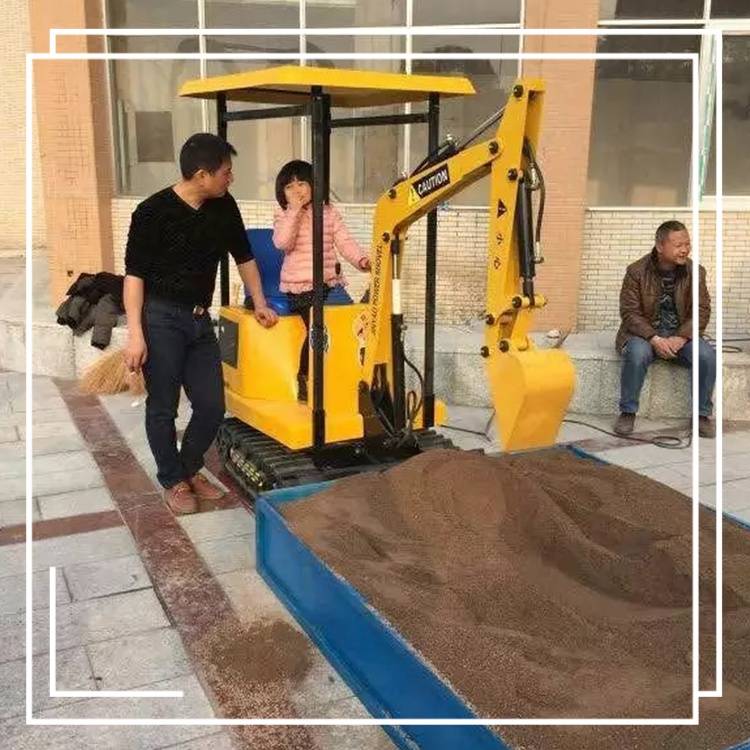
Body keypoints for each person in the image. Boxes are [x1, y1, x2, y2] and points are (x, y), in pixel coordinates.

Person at [123, 133, 278, 515]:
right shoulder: (151, 212)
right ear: (201, 175)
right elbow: (134, 277)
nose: (231, 178)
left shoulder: (224, 206)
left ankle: (189, 468)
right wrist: (135, 335)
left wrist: (260, 303)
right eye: (226, 171)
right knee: (163, 407)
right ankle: (173, 480)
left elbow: (244, 257)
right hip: (160, 319)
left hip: (198, 319)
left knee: (212, 405)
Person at [272, 159, 370, 401]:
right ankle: (304, 377)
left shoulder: (329, 212)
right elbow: (283, 243)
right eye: (289, 187)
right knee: (319, 329)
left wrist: (362, 260)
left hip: (329, 283)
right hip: (300, 287)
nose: (296, 190)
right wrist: (295, 211)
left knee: (352, 323)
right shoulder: (284, 215)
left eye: (302, 184)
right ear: (282, 194)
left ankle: (348, 377)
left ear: (314, 185)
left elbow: (345, 242)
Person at [614, 220, 716, 439]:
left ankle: (702, 414)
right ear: (660, 246)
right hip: (644, 334)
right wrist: (654, 338)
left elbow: (702, 310)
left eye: (687, 244)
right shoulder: (636, 271)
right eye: (678, 245)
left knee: (706, 355)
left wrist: (681, 337)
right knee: (636, 353)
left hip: (681, 333)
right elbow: (629, 312)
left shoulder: (695, 272)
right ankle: (627, 411)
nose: (685, 249)